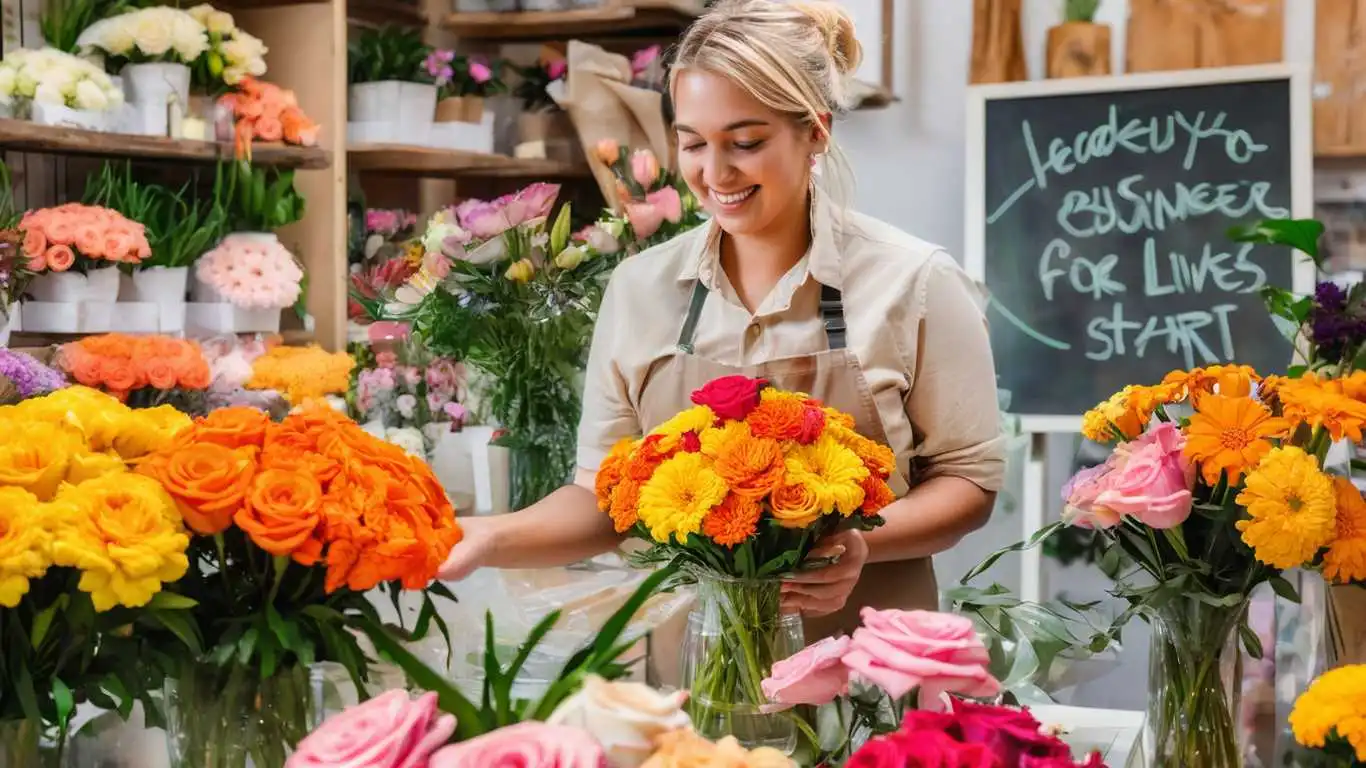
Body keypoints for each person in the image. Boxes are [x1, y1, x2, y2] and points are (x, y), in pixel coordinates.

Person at [438, 0, 1006, 642]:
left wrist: (860, 543)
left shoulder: (916, 282)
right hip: (690, 665)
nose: (715, 173)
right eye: (692, 143)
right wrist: (485, 536)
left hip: (868, 665)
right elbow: (602, 500)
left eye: (746, 142)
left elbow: (969, 482)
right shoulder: (639, 289)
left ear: (816, 132)